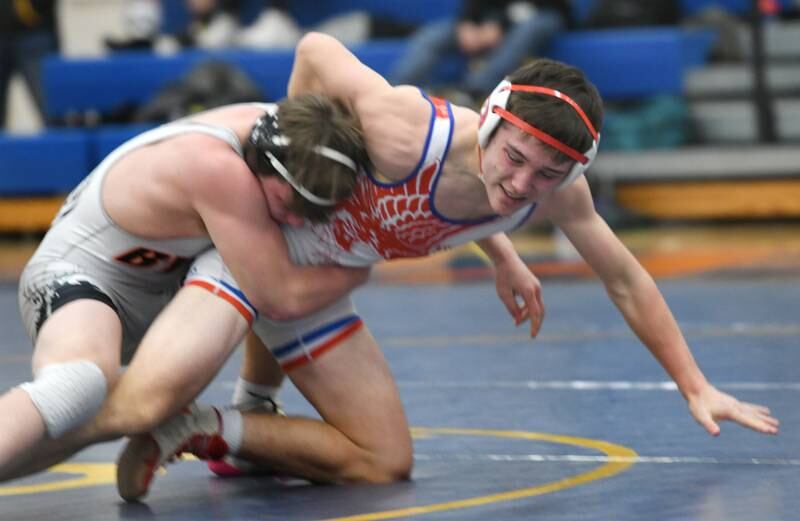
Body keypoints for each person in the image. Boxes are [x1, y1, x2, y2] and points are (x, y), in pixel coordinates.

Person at [110, 32, 778, 502]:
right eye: (515, 158)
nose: (521, 184)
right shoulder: (404, 130)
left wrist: (694, 385)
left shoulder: (548, 191)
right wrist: (299, 147)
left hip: (312, 282)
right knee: (144, 391)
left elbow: (625, 278)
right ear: (489, 121)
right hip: (253, 245)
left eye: (548, 174)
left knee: (385, 462)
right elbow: (315, 49)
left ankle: (213, 426)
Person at [0, 93, 371, 480]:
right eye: (288, 203)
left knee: (275, 252)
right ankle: (245, 403)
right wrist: (359, 267)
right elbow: (279, 297)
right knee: (79, 384)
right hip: (79, 277)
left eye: (310, 211)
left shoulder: (298, 138)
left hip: (156, 291)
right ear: (265, 166)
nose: (297, 220)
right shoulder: (218, 169)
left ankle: (253, 404)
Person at [389, 0, 571, 101]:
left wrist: (501, 26)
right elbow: (475, 6)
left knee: (529, 30)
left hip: (539, 17)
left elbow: (554, 7)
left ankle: (471, 92)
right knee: (433, 35)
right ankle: (395, 91)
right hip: (487, 22)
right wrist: (467, 24)